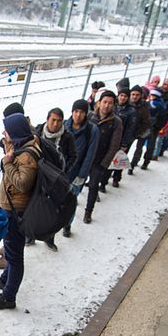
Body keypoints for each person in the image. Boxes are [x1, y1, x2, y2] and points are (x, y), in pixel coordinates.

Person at [0, 112, 41, 310]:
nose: (3, 133)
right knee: (10, 250)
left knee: (15, 256)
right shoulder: (20, 146)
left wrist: (7, 163)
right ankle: (5, 279)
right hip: (11, 207)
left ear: (15, 133)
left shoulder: (26, 156)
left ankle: (9, 296)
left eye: (6, 131)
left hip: (17, 211)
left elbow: (23, 184)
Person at [34, 107, 76, 250]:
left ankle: (49, 238)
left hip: (55, 181)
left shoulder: (67, 137)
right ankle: (29, 235)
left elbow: (73, 157)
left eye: (59, 121)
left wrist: (62, 172)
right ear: (47, 119)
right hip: (37, 178)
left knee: (51, 211)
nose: (55, 124)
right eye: (53, 120)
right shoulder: (38, 132)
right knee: (32, 207)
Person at [85, 90, 123, 223]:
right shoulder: (89, 117)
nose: (107, 106)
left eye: (110, 103)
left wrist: (104, 163)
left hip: (100, 160)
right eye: (105, 102)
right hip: (86, 157)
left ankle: (88, 211)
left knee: (93, 185)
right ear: (99, 103)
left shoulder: (116, 122)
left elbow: (114, 145)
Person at [63, 99, 100, 236]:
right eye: (75, 111)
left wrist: (82, 175)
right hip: (61, 172)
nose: (78, 115)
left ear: (86, 114)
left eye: (81, 112)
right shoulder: (64, 125)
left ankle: (67, 225)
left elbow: (90, 155)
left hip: (77, 173)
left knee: (71, 202)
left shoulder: (92, 130)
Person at [113, 84, 136, 187]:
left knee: (120, 160)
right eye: (121, 95)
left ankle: (116, 178)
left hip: (123, 139)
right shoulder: (114, 107)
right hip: (112, 138)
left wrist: (125, 143)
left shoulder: (131, 111)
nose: (123, 98)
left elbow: (130, 129)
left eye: (125, 96)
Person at [128, 85, 153, 172]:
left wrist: (137, 133)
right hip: (126, 133)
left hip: (137, 132)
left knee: (138, 148)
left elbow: (146, 122)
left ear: (141, 96)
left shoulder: (144, 107)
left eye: (137, 95)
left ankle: (133, 164)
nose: (135, 97)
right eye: (133, 94)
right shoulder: (127, 104)